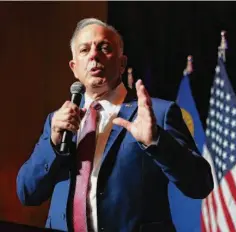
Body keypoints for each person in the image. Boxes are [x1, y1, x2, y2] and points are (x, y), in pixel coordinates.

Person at [16, 18, 213, 232]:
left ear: (121, 63)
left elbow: (200, 184)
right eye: (84, 50)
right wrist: (53, 143)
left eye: (104, 47)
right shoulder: (58, 121)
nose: (93, 55)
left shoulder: (157, 114)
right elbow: (27, 193)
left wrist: (156, 140)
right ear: (74, 68)